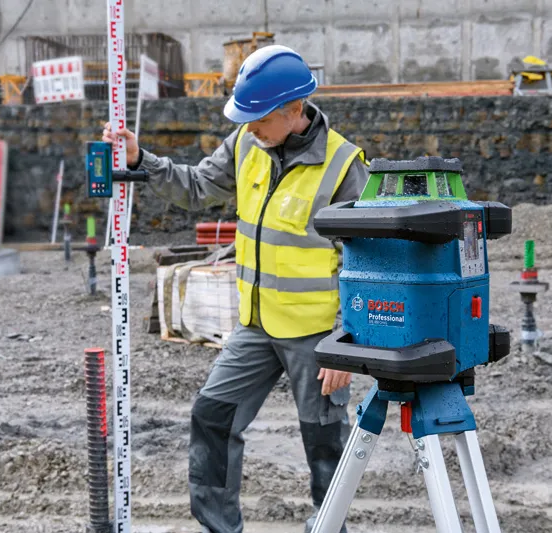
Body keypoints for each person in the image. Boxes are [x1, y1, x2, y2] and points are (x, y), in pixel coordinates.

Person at [103, 45, 369, 533]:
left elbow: (365, 261)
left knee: (325, 445)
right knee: (212, 415)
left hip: (317, 337)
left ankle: (329, 528)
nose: (249, 128)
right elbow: (200, 186)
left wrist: (345, 343)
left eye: (258, 118)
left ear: (294, 111)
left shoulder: (344, 165)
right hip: (255, 324)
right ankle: (220, 528)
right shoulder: (248, 143)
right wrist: (143, 159)